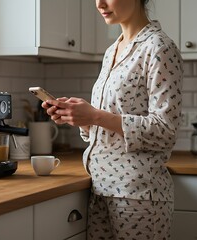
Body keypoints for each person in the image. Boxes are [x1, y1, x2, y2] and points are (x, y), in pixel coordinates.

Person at [42, 0, 183, 239]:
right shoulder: (113, 50)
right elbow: (109, 123)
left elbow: (165, 131)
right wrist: (81, 118)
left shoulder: (159, 47)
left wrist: (96, 115)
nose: (99, 3)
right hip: (100, 188)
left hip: (137, 194)